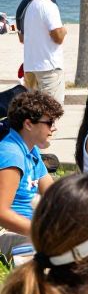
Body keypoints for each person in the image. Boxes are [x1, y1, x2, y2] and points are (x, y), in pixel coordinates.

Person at [0, 91, 61, 258]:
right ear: (28, 124)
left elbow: (54, 195)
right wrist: (42, 232)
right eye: (49, 122)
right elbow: (2, 213)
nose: (53, 128)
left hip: (26, 228)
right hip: (7, 232)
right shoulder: (12, 155)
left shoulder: (30, 150)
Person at [21, 0, 68, 105]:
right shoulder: (48, 6)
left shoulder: (29, 6)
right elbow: (58, 37)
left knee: (34, 111)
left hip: (30, 67)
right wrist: (64, 30)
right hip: (48, 68)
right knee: (52, 110)